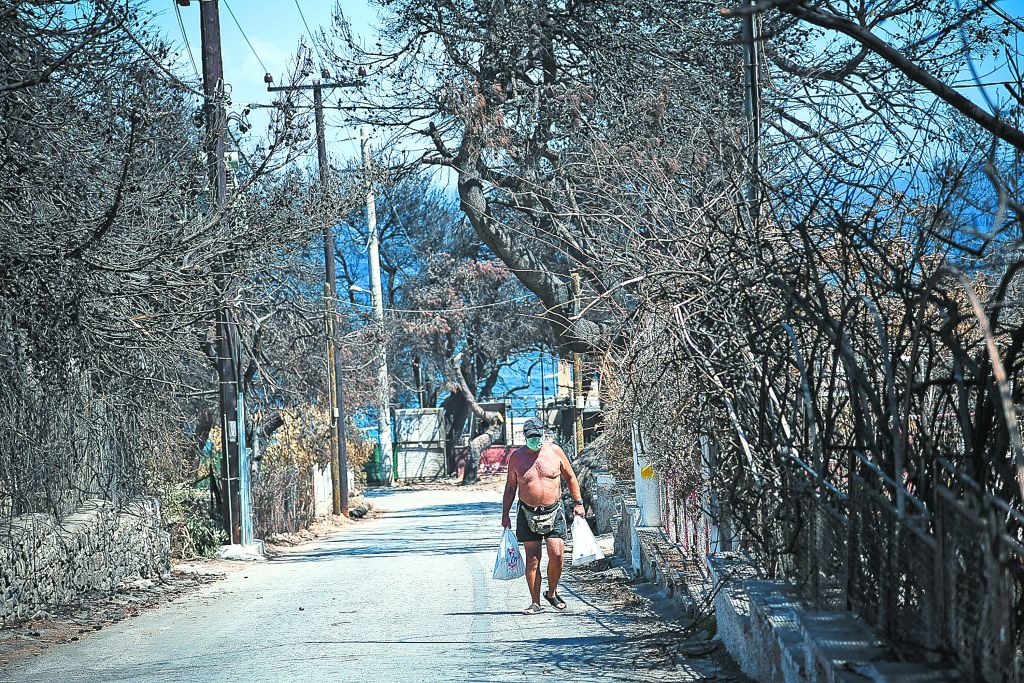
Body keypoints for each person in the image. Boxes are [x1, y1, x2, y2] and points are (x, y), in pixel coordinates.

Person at [501, 417, 585, 615]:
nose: (535, 440)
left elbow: (570, 477)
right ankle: (535, 602)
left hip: (553, 511)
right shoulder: (516, 457)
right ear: (525, 437)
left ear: (543, 434)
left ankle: (552, 592)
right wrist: (505, 514)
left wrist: (578, 503)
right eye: (531, 437)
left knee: (557, 555)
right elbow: (511, 487)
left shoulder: (555, 452)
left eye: (538, 436)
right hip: (527, 512)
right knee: (533, 559)